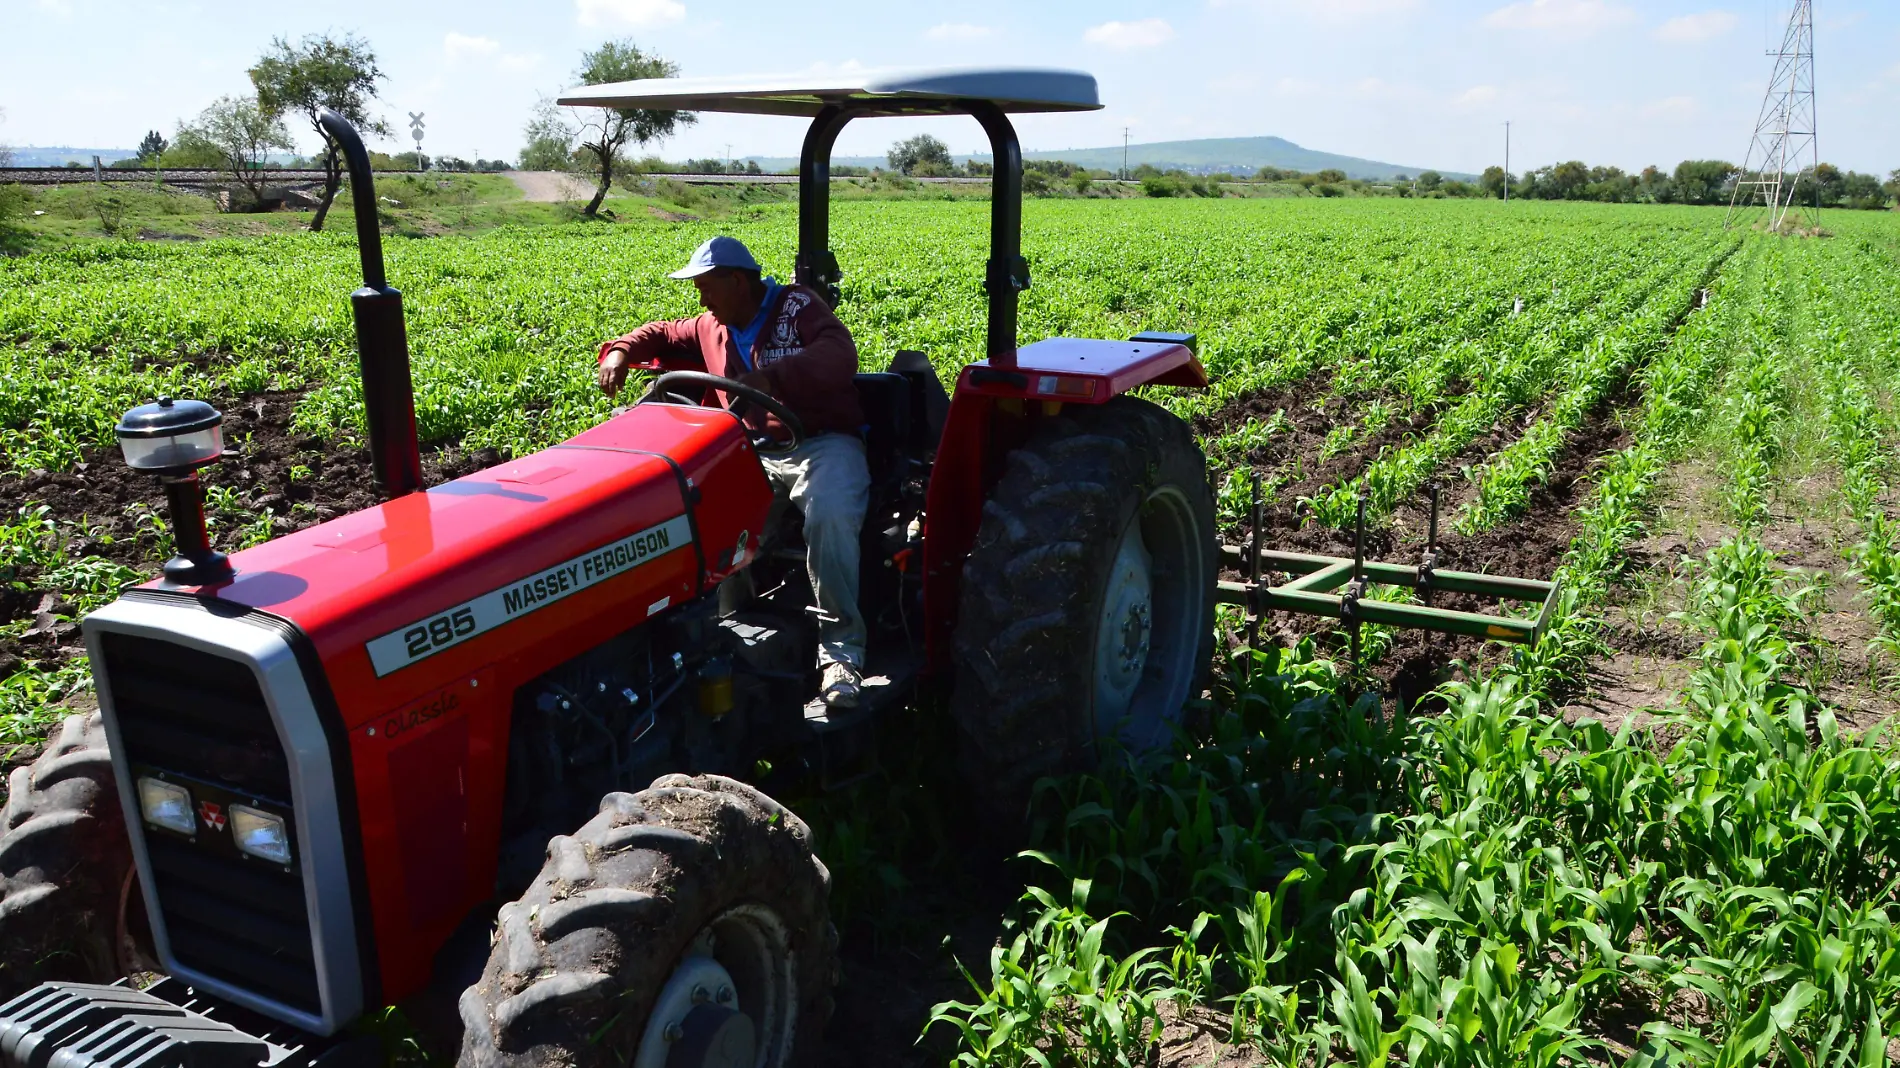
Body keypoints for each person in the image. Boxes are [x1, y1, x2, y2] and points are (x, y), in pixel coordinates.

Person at [596, 236, 871, 708]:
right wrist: (620, 350)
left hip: (821, 443)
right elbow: (663, 331)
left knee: (828, 512)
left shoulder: (797, 307)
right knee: (702, 511)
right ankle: (721, 630)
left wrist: (773, 377)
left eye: (707, 287)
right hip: (754, 451)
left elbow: (840, 354)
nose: (702, 300)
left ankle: (840, 653)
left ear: (738, 281)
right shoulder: (711, 325)